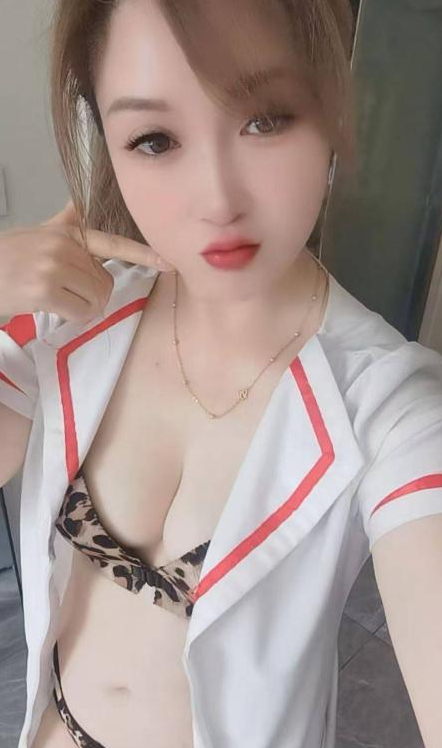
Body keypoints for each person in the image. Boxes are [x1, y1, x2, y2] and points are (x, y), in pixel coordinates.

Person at [0, 1, 441, 747]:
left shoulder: (390, 406)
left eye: (265, 120)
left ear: (332, 104)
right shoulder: (66, 318)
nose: (218, 200)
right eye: (155, 139)